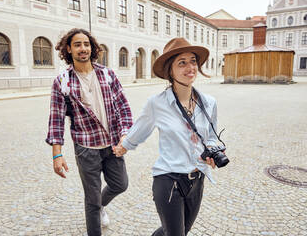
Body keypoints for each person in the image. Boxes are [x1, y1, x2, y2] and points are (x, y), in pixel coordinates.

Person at [113, 37, 226, 236]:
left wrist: (213, 150)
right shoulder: (157, 104)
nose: (190, 67)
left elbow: (210, 136)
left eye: (193, 61)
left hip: (197, 180)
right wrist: (123, 146)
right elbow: (138, 131)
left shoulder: (209, 103)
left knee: (181, 230)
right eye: (182, 62)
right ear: (170, 71)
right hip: (168, 180)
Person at [45, 28, 132, 236]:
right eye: (77, 44)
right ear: (69, 49)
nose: (82, 48)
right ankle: (96, 214)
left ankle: (100, 206)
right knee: (91, 200)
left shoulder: (107, 74)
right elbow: (56, 120)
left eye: (86, 44)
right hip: (86, 150)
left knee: (120, 184)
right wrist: (57, 154)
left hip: (112, 145)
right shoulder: (63, 82)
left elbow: (123, 108)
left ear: (92, 47)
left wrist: (125, 137)